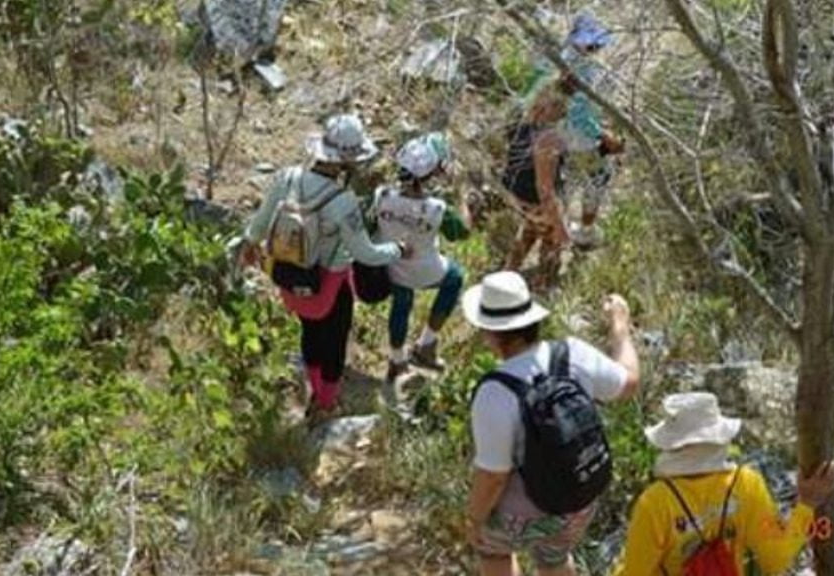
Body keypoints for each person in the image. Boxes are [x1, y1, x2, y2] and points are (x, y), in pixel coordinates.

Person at [462, 270, 641, 576]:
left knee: (492, 551)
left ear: (490, 333)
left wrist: (473, 519)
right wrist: (620, 330)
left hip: (521, 517)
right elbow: (630, 382)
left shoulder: (495, 392)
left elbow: (493, 477)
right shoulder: (573, 353)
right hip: (578, 502)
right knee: (554, 558)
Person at [239, 114, 408, 414]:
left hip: (289, 278)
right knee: (334, 343)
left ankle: (315, 391)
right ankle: (326, 403)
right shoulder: (344, 202)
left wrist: (250, 245)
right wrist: (396, 250)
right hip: (328, 285)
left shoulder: (287, 178)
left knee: (309, 333)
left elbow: (258, 226)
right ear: (347, 162)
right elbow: (366, 254)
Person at [612, 392, 834, 576]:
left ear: (670, 444)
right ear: (720, 438)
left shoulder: (655, 502)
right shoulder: (746, 484)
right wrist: (807, 504)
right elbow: (776, 560)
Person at [373, 133, 471, 385]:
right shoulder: (437, 209)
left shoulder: (381, 195)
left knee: (402, 302)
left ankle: (396, 360)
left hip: (392, 265)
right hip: (427, 270)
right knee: (455, 278)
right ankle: (427, 343)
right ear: (429, 175)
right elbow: (462, 232)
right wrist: (461, 196)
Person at [560, 13, 625, 249]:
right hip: (581, 141)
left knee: (568, 182)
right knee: (597, 181)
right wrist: (603, 135)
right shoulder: (581, 68)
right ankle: (585, 232)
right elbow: (579, 115)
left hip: (562, 137)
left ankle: (563, 227)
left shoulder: (564, 58)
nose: (596, 47)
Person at [501, 80, 573, 291]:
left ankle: (508, 273)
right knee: (552, 241)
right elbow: (545, 188)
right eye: (561, 106)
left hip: (518, 195)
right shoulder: (548, 138)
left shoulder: (523, 126)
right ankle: (541, 286)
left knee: (529, 231)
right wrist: (560, 225)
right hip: (535, 199)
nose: (565, 111)